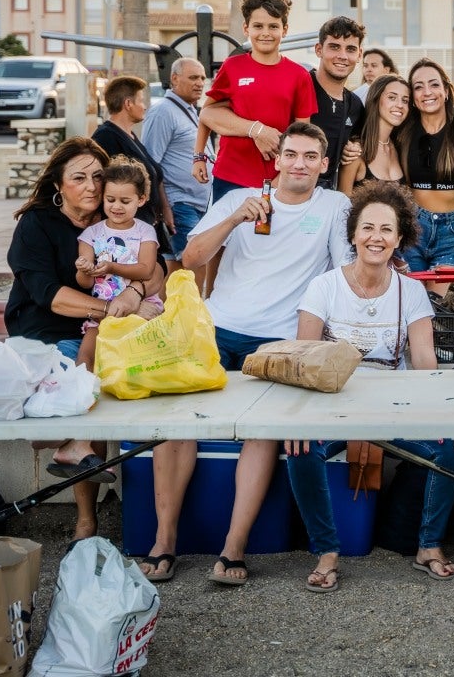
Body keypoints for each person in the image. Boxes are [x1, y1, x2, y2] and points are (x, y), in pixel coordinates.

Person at [136, 122, 351, 584]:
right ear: (277, 159)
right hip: (216, 326)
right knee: (177, 419)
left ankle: (233, 549)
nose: (299, 164)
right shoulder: (240, 199)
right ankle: (164, 539)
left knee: (261, 430)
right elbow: (190, 258)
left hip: (278, 339)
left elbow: (342, 270)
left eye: (310, 157)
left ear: (324, 164)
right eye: (291, 154)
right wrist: (234, 220)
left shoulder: (334, 205)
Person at [287, 182, 454, 590]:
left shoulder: (412, 291)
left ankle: (429, 545)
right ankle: (327, 551)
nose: (376, 237)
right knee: (300, 448)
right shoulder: (324, 287)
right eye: (368, 228)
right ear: (353, 234)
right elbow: (303, 360)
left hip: (393, 407)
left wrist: (446, 416)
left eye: (387, 230)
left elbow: (425, 364)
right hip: (334, 404)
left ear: (400, 238)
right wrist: (297, 419)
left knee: (452, 447)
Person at [6, 137, 165, 539]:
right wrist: (110, 309)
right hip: (48, 328)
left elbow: (157, 271)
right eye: (79, 178)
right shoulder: (38, 224)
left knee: (113, 378)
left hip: (111, 324)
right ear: (58, 184)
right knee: (82, 374)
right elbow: (49, 295)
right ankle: (85, 517)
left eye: (97, 176)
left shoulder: (123, 215)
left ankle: (78, 466)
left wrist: (134, 292)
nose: (92, 187)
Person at [199, 0, 317, 201]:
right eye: (258, 26)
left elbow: (302, 135)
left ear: (285, 30)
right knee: (225, 225)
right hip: (229, 176)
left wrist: (280, 179)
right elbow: (207, 113)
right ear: (246, 28)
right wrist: (199, 155)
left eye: (273, 26)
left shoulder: (299, 75)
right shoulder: (232, 67)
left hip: (273, 180)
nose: (266, 33)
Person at [72, 155, 164, 377]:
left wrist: (112, 268)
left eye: (125, 201)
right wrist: (84, 269)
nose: (116, 206)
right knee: (86, 355)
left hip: (141, 307)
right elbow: (85, 283)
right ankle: (82, 389)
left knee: (137, 360)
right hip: (104, 312)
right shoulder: (91, 234)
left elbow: (146, 270)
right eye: (110, 199)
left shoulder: (144, 231)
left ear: (141, 199)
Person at [395, 58, 454, 272]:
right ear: (412, 97)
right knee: (412, 293)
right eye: (418, 87)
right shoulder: (402, 132)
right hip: (412, 227)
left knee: (440, 294)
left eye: (434, 84)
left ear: (446, 91)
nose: (427, 92)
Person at [140, 57, 208, 281]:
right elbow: (150, 165)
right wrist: (164, 207)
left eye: (202, 78)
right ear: (175, 79)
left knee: (179, 268)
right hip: (179, 203)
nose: (200, 83)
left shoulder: (190, 110)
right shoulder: (163, 112)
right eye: (193, 77)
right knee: (192, 265)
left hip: (197, 204)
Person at [91, 76, 171, 230]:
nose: (144, 107)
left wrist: (164, 209)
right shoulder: (106, 137)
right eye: (141, 100)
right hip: (127, 230)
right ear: (128, 104)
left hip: (146, 225)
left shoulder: (130, 136)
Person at [308, 17, 366, 189]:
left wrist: (355, 147)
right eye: (334, 47)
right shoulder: (300, 87)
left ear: (359, 55)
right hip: (286, 189)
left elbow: (358, 139)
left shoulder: (355, 105)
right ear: (319, 50)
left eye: (350, 49)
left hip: (327, 193)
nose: (342, 56)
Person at [338, 73, 408, 193]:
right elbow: (342, 202)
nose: (400, 105)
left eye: (405, 100)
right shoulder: (355, 152)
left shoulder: (401, 148)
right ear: (376, 99)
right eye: (392, 97)